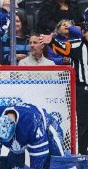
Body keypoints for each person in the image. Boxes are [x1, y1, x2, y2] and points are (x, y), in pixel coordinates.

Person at [42, 13, 88, 155]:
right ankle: (82, 153)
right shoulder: (77, 45)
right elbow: (62, 47)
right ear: (85, 32)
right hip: (82, 88)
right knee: (84, 123)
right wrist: (51, 42)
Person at [0, 103, 65, 169]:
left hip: (48, 128)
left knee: (55, 163)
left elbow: (39, 157)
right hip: (22, 133)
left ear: (14, 129)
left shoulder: (32, 122)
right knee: (14, 166)